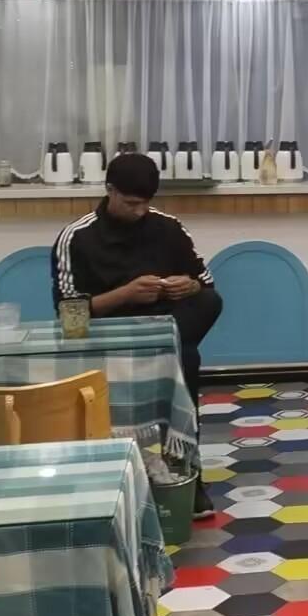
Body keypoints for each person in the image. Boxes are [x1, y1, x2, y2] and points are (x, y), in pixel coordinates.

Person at [55, 153, 224, 515]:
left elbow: (206, 283)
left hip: (165, 326)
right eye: (131, 204)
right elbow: (68, 317)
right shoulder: (77, 236)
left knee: (209, 303)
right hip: (107, 336)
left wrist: (188, 285)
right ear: (110, 191)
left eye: (146, 203)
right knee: (186, 358)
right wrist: (125, 294)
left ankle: (183, 469)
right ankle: (183, 474)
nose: (140, 212)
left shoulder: (168, 228)